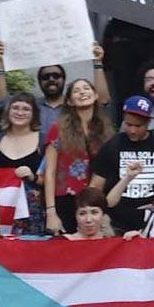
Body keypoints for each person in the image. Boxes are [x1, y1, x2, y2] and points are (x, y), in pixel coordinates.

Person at [90, 96, 154, 233]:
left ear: (149, 122)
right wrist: (98, 215)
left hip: (152, 220)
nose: (132, 130)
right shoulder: (113, 146)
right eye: (128, 124)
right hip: (116, 220)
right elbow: (96, 186)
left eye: (138, 126)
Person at [44, 78, 114, 235]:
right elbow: (50, 172)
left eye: (86, 88)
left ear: (95, 95)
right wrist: (51, 212)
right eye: (76, 90)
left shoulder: (105, 130)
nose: (82, 92)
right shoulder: (58, 129)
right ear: (69, 101)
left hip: (95, 202)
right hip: (65, 200)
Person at [0, 92, 43, 185]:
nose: (20, 113)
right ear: (8, 111)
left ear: (34, 114)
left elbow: (52, 179)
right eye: (15, 108)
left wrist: (33, 177)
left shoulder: (43, 141)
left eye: (26, 109)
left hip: (31, 198)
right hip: (0, 197)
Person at [62, 187, 131, 240]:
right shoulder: (63, 242)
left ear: (103, 215)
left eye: (94, 212)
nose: (88, 220)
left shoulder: (114, 244)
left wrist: (135, 241)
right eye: (82, 213)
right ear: (75, 215)